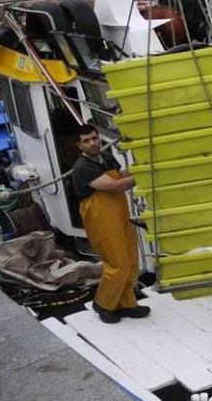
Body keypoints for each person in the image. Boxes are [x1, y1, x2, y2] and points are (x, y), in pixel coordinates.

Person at [72, 124, 148, 324]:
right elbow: (117, 185)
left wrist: (140, 165)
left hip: (120, 215)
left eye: (94, 138)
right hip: (101, 221)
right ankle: (104, 304)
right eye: (86, 141)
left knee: (131, 260)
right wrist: (145, 174)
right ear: (79, 145)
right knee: (117, 264)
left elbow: (120, 174)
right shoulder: (83, 168)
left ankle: (127, 303)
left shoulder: (104, 157)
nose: (92, 143)